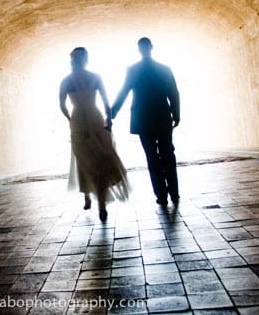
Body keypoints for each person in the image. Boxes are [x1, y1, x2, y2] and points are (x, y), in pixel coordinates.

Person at [59, 47, 129, 222]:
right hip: (96, 118)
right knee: (101, 160)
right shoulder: (95, 77)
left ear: (72, 61)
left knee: (83, 159)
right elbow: (106, 101)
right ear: (86, 60)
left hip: (78, 122)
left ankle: (87, 196)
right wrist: (109, 119)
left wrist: (70, 118)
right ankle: (102, 205)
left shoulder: (66, 81)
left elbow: (62, 105)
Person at [111, 37, 180, 206]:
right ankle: (174, 192)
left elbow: (123, 92)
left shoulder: (133, 70)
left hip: (143, 119)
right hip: (163, 116)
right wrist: (176, 114)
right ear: (151, 47)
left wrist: (111, 113)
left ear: (139, 50)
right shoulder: (164, 69)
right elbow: (173, 92)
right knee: (168, 154)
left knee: (152, 157)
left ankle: (161, 196)